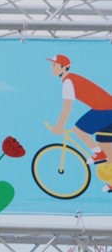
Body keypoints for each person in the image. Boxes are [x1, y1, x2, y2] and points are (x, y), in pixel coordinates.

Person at [47, 53, 112, 186]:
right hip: (107, 109)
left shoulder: (68, 82)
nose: (52, 68)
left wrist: (59, 126)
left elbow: (67, 107)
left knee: (79, 130)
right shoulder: (71, 79)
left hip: (104, 109)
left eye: (55, 65)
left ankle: (98, 153)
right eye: (52, 65)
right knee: (107, 149)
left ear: (64, 67)